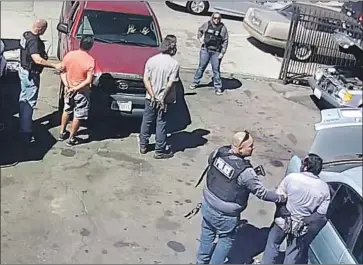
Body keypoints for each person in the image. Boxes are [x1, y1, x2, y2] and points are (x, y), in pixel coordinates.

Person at [196, 131, 287, 264]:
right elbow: (262, 193)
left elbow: (213, 165)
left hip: (207, 204)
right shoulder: (245, 172)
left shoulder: (220, 152)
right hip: (225, 215)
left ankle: (201, 262)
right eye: (250, 146)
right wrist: (281, 198)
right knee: (225, 240)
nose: (253, 148)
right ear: (240, 149)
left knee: (207, 234)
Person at [261, 153, 330, 264]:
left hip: (282, 221)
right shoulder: (324, 189)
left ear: (306, 167)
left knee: (273, 245)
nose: (301, 165)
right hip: (300, 228)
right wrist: (305, 220)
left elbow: (278, 197)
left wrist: (283, 210)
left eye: (303, 163)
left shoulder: (292, 178)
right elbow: (320, 214)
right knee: (292, 253)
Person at [18, 18, 63, 144]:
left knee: (24, 99)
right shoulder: (33, 41)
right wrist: (55, 65)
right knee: (29, 102)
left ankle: (22, 121)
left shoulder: (26, 35)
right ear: (41, 29)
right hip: (31, 75)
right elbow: (37, 59)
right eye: (44, 29)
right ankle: (25, 131)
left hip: (23, 71)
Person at [139, 37, 180, 159]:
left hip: (150, 97)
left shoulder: (151, 60)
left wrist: (152, 95)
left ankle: (143, 145)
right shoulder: (174, 64)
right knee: (161, 123)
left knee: (147, 120)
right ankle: (159, 150)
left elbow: (146, 79)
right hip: (165, 100)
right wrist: (162, 97)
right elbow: (170, 83)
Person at [58, 35, 95, 146]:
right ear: (90, 46)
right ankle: (72, 138)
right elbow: (88, 80)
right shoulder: (90, 61)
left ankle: (61, 132)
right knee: (78, 115)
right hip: (81, 92)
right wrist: (76, 88)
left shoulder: (69, 55)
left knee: (67, 109)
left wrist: (67, 86)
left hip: (68, 89)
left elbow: (62, 71)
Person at [189, 12, 229, 95]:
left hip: (216, 52)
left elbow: (225, 41)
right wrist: (200, 39)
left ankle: (218, 87)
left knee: (216, 70)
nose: (216, 20)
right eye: (215, 18)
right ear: (212, 18)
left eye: (218, 18)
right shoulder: (206, 25)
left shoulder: (223, 28)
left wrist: (222, 53)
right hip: (205, 50)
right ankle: (195, 82)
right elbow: (200, 30)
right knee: (201, 67)